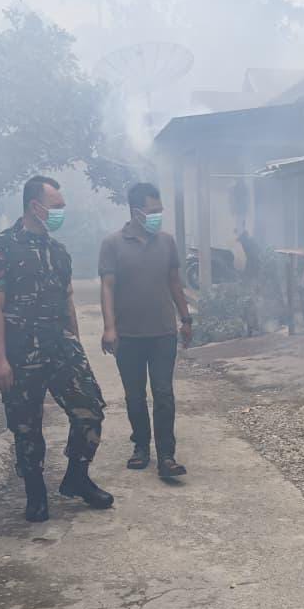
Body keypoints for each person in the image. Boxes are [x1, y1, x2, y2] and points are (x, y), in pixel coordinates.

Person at [0, 175, 113, 522]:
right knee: (26, 427)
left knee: (90, 410)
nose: (61, 212)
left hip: (60, 346)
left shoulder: (59, 252)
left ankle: (77, 478)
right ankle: (36, 494)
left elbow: (68, 299)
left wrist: (76, 342)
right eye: (56, 207)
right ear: (35, 206)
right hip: (20, 352)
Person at [99, 182, 194, 480]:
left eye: (160, 211)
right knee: (135, 395)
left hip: (163, 332)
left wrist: (186, 318)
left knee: (164, 393)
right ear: (136, 211)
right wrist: (109, 328)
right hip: (128, 335)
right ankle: (141, 446)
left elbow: (175, 282)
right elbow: (107, 287)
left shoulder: (167, 242)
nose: (158, 216)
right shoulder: (112, 244)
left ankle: (167, 455)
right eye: (153, 211)